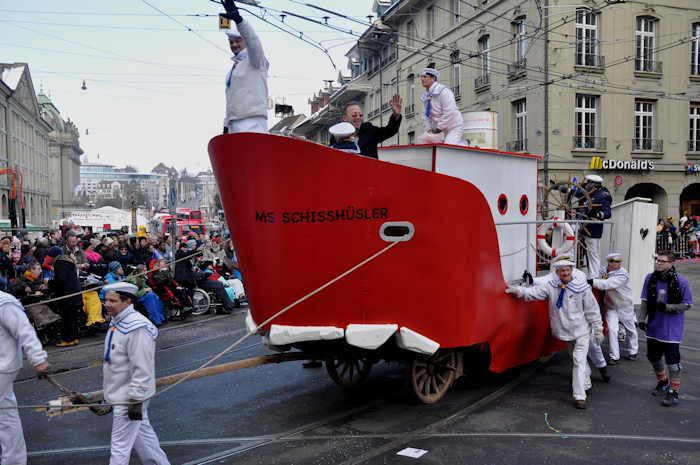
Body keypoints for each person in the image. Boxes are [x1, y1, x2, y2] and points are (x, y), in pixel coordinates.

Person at [506, 259, 604, 409]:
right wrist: (517, 290)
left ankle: (579, 396)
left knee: (578, 359)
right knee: (576, 359)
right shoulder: (551, 287)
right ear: (557, 273)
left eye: (567, 270)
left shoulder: (582, 288)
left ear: (571, 271)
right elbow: (534, 293)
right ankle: (585, 381)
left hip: (581, 330)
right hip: (565, 330)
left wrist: (598, 329)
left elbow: (593, 310)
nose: (565, 273)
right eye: (562, 271)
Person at [102, 282, 170, 465]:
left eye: (112, 300)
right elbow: (116, 365)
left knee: (119, 447)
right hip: (122, 393)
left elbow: (142, 366)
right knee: (145, 440)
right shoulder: (117, 321)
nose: (106, 304)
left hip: (130, 396)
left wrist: (136, 399)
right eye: (105, 300)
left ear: (127, 301)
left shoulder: (137, 327)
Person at [0, 289, 49, 465]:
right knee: (5, 415)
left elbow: (24, 330)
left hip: (2, 366)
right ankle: (14, 460)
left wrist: (38, 358)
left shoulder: (5, 302)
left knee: (5, 415)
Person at [638, 251, 693, 406]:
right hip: (654, 327)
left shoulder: (681, 282)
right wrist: (641, 318)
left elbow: (688, 304)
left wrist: (668, 307)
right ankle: (663, 381)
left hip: (671, 330)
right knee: (653, 357)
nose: (658, 263)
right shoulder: (650, 278)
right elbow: (645, 300)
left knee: (673, 363)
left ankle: (673, 391)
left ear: (671, 263)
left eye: (662, 261)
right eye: (657, 260)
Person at [221, 0, 270, 135]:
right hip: (233, 123)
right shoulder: (233, 68)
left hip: (252, 121)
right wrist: (226, 125)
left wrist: (239, 20)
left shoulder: (256, 60)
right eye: (231, 42)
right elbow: (231, 99)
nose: (234, 45)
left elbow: (253, 40)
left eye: (238, 41)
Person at [589, 253, 638, 364]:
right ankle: (614, 356)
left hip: (624, 305)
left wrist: (592, 282)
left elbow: (608, 284)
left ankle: (633, 350)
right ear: (609, 262)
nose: (618, 264)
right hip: (611, 306)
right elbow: (596, 276)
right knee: (612, 330)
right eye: (615, 262)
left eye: (619, 261)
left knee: (630, 329)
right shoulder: (602, 271)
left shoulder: (623, 274)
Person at [336, 96, 403, 159]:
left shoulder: (369, 130)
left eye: (360, 115)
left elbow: (390, 130)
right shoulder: (337, 135)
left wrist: (396, 115)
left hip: (369, 170)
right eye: (354, 115)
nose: (358, 117)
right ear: (345, 118)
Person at [417, 62, 464, 146]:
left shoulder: (444, 91)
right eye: (421, 77)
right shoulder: (426, 96)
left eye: (425, 77)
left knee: (449, 146)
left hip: (453, 126)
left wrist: (439, 128)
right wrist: (428, 130)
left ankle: (464, 144)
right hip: (438, 128)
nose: (422, 79)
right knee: (426, 144)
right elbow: (425, 116)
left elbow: (450, 112)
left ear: (433, 78)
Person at [576, 174, 612, 279]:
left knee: (593, 253)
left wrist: (594, 215)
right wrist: (563, 188)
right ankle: (575, 273)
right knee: (572, 247)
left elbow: (607, 213)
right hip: (581, 225)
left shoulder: (603, 195)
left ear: (593, 185)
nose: (585, 185)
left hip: (593, 228)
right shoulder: (586, 191)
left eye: (587, 183)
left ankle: (594, 277)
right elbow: (575, 192)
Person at [49, 255, 83, 347]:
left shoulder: (59, 264)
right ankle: (74, 338)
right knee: (74, 318)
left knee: (67, 318)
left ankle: (68, 339)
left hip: (67, 295)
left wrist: (50, 283)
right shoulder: (70, 264)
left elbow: (61, 279)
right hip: (75, 294)